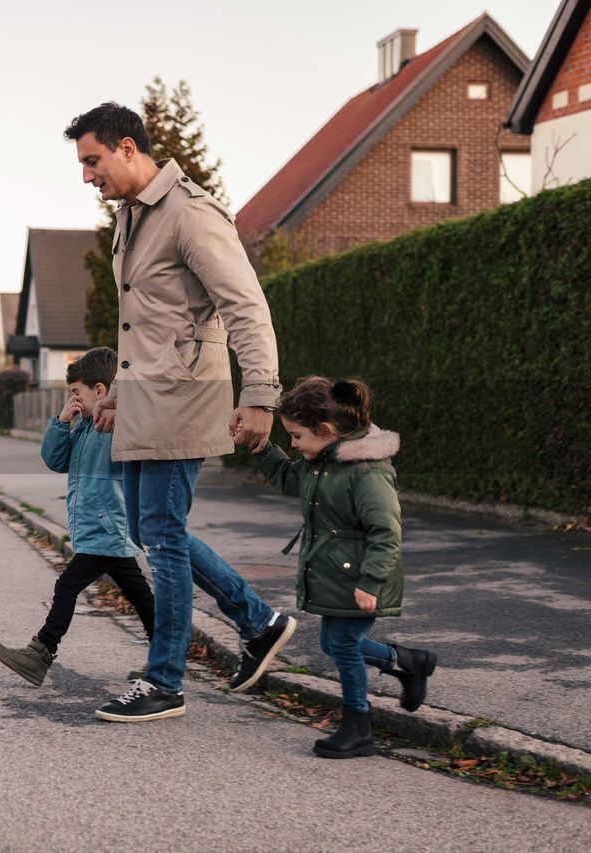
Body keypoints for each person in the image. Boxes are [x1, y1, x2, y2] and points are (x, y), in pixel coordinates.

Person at [63, 102, 297, 723]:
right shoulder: (131, 218)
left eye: (93, 160)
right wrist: (116, 393)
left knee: (162, 538)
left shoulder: (191, 214)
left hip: (185, 399)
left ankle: (165, 680)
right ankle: (258, 621)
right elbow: (149, 325)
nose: (87, 175)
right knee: (149, 531)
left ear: (128, 149)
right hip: (146, 399)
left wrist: (261, 395)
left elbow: (246, 307)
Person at [256, 377, 436, 758]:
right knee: (332, 642)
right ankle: (407, 662)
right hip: (338, 575)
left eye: (296, 436)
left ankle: (359, 725)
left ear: (325, 430)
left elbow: (386, 533)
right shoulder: (320, 461)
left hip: (361, 577)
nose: (293, 444)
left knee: (341, 643)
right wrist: (261, 448)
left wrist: (371, 581)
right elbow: (290, 480)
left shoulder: (368, 472)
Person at [0, 347, 155, 686]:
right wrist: (62, 421)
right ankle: (167, 656)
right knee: (140, 596)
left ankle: (40, 653)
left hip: (106, 525)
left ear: (100, 391)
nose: (73, 399)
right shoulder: (82, 428)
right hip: (100, 527)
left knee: (67, 585)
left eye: (76, 393)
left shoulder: (115, 427)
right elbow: (55, 460)